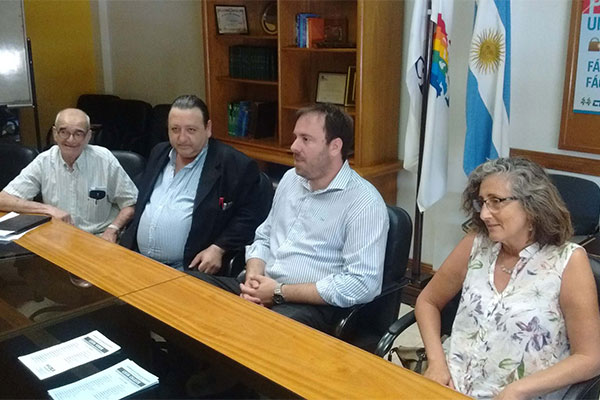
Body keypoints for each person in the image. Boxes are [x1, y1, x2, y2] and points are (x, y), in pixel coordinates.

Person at [191, 103, 389, 334]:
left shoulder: (364, 203)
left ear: (335, 146)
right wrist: (254, 277)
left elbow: (362, 283)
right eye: (296, 137)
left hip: (309, 305)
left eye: (306, 139)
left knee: (250, 331)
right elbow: (264, 236)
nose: (294, 146)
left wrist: (279, 291)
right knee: (188, 288)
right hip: (263, 284)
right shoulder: (290, 179)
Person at [415, 157, 600, 399]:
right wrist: (437, 363)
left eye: (496, 202)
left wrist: (517, 390)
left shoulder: (568, 261)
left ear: (532, 205)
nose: (484, 214)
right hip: (449, 387)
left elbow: (590, 357)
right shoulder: (475, 243)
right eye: (482, 202)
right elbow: (427, 301)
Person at [120, 95, 270, 273]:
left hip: (187, 269)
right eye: (175, 129)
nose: (182, 138)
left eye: (191, 130)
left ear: (208, 128)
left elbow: (251, 216)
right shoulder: (159, 153)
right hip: (137, 259)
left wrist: (219, 247)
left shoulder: (233, 164)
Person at [0, 108, 138, 243]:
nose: (70, 140)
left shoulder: (105, 160)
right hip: (59, 238)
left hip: (98, 238)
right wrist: (48, 209)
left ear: (88, 136)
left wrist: (113, 229)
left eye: (78, 133)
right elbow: (3, 199)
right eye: (64, 132)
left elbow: (131, 204)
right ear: (55, 134)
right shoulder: (44, 160)